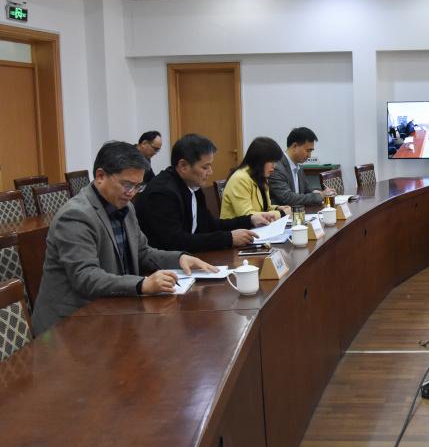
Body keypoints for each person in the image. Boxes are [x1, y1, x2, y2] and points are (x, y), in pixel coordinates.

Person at [32, 141, 216, 334]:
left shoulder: (125, 207)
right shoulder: (76, 216)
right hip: (69, 325)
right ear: (100, 176)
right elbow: (86, 277)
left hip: (111, 310)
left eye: (138, 186)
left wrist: (179, 258)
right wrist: (142, 284)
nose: (131, 193)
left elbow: (142, 252)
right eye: (127, 185)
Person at [135, 134, 278, 252]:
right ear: (183, 165)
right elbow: (175, 241)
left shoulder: (192, 186)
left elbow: (209, 225)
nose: (210, 172)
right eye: (205, 167)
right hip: (163, 269)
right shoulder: (162, 193)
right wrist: (228, 238)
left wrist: (250, 220)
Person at [220, 137, 292, 221]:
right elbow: (247, 216)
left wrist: (277, 208)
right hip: (238, 228)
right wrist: (281, 214)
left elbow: (264, 208)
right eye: (271, 161)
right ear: (260, 160)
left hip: (258, 227)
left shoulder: (260, 177)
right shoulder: (240, 179)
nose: (274, 166)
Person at [270, 127, 333, 207]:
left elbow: (306, 191)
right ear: (295, 146)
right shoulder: (277, 167)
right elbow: (287, 198)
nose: (309, 156)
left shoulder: (298, 166)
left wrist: (319, 192)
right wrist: (320, 195)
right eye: (308, 150)